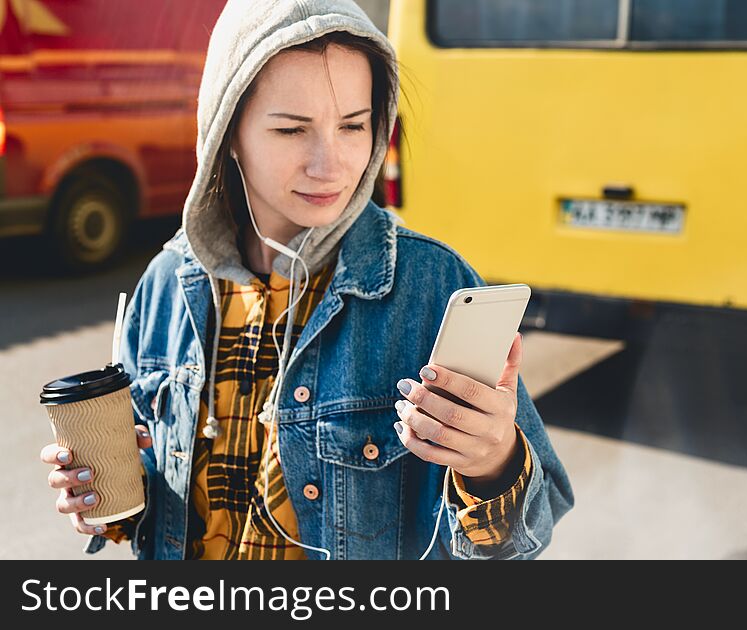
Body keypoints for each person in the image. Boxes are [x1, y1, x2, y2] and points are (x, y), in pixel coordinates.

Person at [39, 0, 574, 560]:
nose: (332, 164)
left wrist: (493, 464)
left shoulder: (432, 285)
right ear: (229, 133)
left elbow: (526, 539)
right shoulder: (167, 284)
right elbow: (163, 497)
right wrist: (106, 496)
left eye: (354, 126)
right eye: (293, 130)